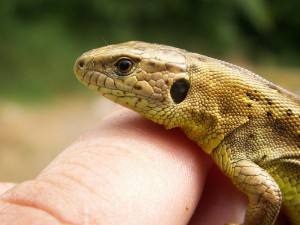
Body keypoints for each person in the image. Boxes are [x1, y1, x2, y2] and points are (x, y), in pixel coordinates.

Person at [0, 107, 287, 224]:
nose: (85, 65)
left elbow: (267, 194)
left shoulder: (233, 150)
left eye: (124, 68)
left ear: (179, 87)